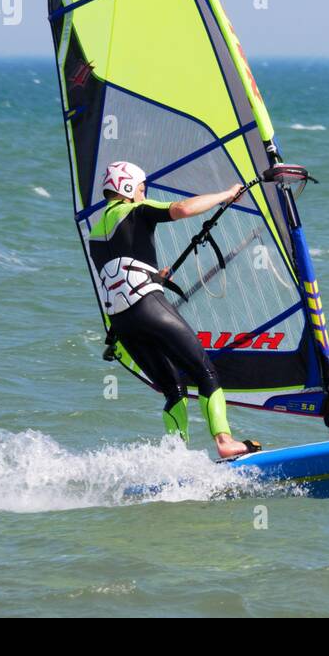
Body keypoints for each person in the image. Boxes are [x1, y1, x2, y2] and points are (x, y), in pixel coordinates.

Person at [89, 160, 258, 458]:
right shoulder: (135, 209)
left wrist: (155, 278)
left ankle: (175, 457)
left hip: (121, 321)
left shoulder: (95, 233)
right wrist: (226, 194)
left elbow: (118, 270)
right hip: (148, 306)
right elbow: (182, 209)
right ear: (128, 187)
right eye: (141, 189)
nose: (144, 194)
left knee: (173, 389)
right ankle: (224, 442)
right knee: (204, 372)